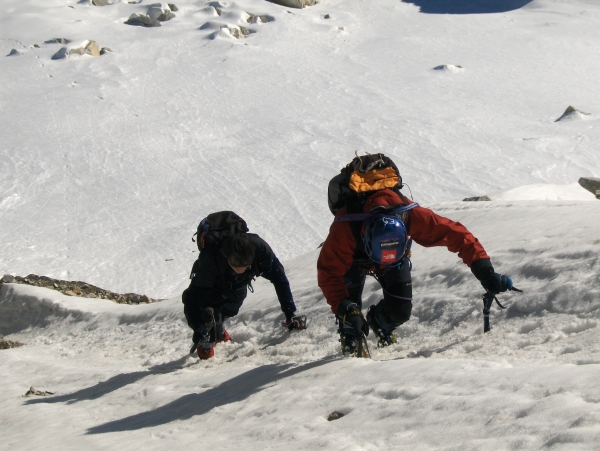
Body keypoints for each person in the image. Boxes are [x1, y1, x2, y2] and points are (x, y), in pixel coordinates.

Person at [317, 187, 514, 356]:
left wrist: (486, 272)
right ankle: (351, 338)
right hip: (351, 262)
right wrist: (345, 307)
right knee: (350, 318)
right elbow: (328, 272)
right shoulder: (346, 229)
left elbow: (457, 235)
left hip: (395, 260)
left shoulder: (410, 216)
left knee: (400, 311)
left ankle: (379, 323)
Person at [183, 230, 305, 359]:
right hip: (215, 280)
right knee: (208, 305)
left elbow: (279, 279)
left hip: (239, 284)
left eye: (244, 265)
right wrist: (197, 327)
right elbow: (191, 298)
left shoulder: (261, 251)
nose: (240, 270)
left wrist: (290, 313)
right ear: (226, 256)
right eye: (235, 265)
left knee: (233, 305)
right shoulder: (210, 261)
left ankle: (218, 327)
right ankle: (208, 333)